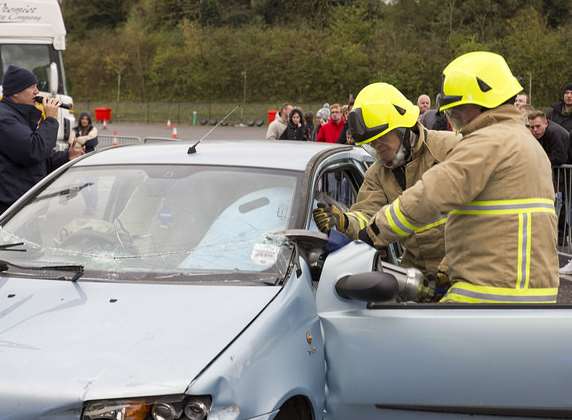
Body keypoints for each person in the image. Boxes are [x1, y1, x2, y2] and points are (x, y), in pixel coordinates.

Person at [357, 51, 559, 304]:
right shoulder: (525, 142)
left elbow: (431, 195)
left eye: (458, 111)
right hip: (533, 294)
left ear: (483, 103)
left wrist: (373, 232)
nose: (456, 122)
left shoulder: (486, 143)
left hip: (489, 294)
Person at [313, 83, 459, 277]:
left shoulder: (449, 148)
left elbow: (477, 217)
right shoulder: (378, 173)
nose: (377, 149)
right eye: (371, 144)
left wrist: (450, 267)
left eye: (380, 140)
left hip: (461, 266)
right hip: (417, 272)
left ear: (402, 129)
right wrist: (345, 222)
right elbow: (367, 215)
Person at [0, 65, 83, 214]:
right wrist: (50, 119)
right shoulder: (4, 119)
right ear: (15, 92)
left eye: (36, 86)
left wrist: (67, 156)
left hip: (24, 205)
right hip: (11, 208)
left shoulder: (19, 117)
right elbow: (33, 150)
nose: (37, 91)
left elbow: (39, 161)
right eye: (32, 87)